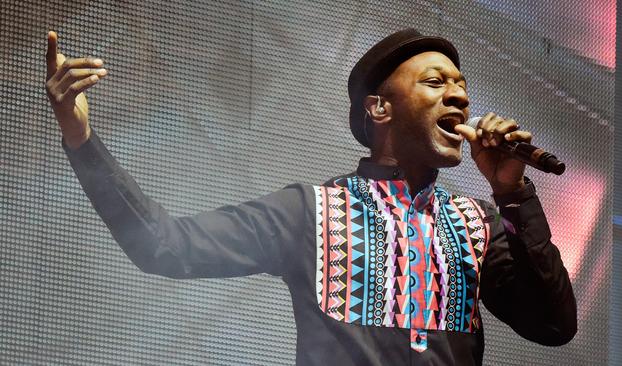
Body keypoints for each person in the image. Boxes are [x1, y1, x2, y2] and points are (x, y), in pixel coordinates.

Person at [45, 28, 576, 365]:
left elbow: (553, 326)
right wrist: (81, 141)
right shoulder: (311, 211)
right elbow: (162, 245)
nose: (460, 94)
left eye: (461, 84)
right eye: (436, 82)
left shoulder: (477, 222)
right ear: (381, 109)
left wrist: (512, 193)